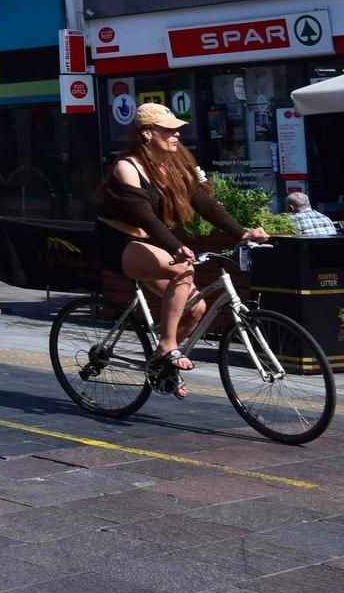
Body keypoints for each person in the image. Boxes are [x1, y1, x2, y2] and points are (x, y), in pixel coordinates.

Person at [95, 102, 268, 395]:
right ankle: (167, 346)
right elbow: (145, 218)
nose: (177, 135)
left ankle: (160, 364)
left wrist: (243, 233)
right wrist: (176, 247)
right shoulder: (127, 167)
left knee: (196, 307)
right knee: (183, 268)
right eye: (169, 130)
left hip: (150, 244)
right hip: (118, 241)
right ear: (148, 134)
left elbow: (206, 204)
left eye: (178, 130)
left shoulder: (174, 165)